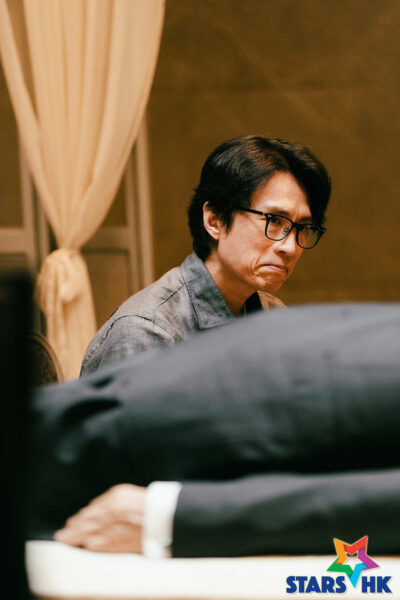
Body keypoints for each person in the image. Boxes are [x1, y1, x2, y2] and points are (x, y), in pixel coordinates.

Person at [29, 303, 400, 558]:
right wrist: (173, 516)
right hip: (292, 386)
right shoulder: (148, 321)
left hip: (304, 394)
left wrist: (172, 515)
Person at [81, 136, 331, 375]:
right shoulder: (147, 333)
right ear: (214, 220)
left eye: (302, 228)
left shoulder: (273, 315)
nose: (290, 247)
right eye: (274, 220)